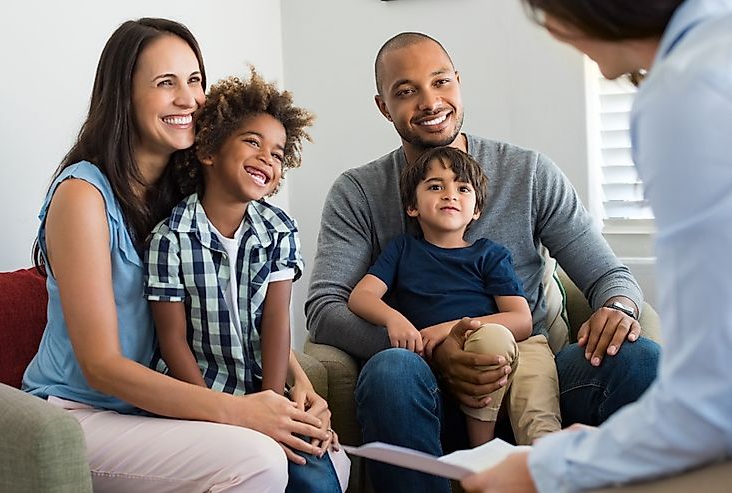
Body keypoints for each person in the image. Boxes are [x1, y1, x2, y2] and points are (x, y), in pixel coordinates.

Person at [306, 31, 660, 492]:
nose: (430, 102)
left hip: (530, 373)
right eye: (406, 91)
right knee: (392, 372)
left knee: (639, 359)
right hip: (419, 385)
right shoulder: (359, 192)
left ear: (458, 82)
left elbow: (609, 275)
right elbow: (325, 307)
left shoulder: (528, 173)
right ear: (383, 106)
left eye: (440, 82)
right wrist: (433, 349)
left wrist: (620, 307)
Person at [22, 18, 336, 492]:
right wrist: (242, 413)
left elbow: (234, 309)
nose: (188, 98)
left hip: (156, 410)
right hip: (78, 415)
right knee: (259, 462)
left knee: (325, 457)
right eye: (165, 83)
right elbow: (100, 365)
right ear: (123, 96)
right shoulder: (82, 196)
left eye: (195, 80)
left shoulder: (184, 197)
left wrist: (296, 387)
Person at [462, 0, 732, 491]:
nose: (550, 31)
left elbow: (708, 403)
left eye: (543, 11)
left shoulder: (685, 93)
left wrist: (548, 467)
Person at [144, 68, 348, 491]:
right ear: (209, 150)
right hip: (195, 395)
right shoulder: (169, 239)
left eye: (277, 153)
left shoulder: (280, 230)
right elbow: (172, 341)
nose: (266, 158)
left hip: (263, 392)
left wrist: (272, 408)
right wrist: (215, 412)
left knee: (315, 473)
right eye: (253, 142)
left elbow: (276, 324)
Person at [348, 146, 551, 447]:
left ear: (477, 209)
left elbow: (521, 321)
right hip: (443, 368)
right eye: (435, 186)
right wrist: (394, 319)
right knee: (489, 341)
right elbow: (361, 296)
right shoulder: (402, 250)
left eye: (462, 188)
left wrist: (446, 329)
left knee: (536, 404)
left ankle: (543, 464)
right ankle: (480, 454)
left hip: (511, 349)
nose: (450, 194)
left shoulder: (490, 254)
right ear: (412, 206)